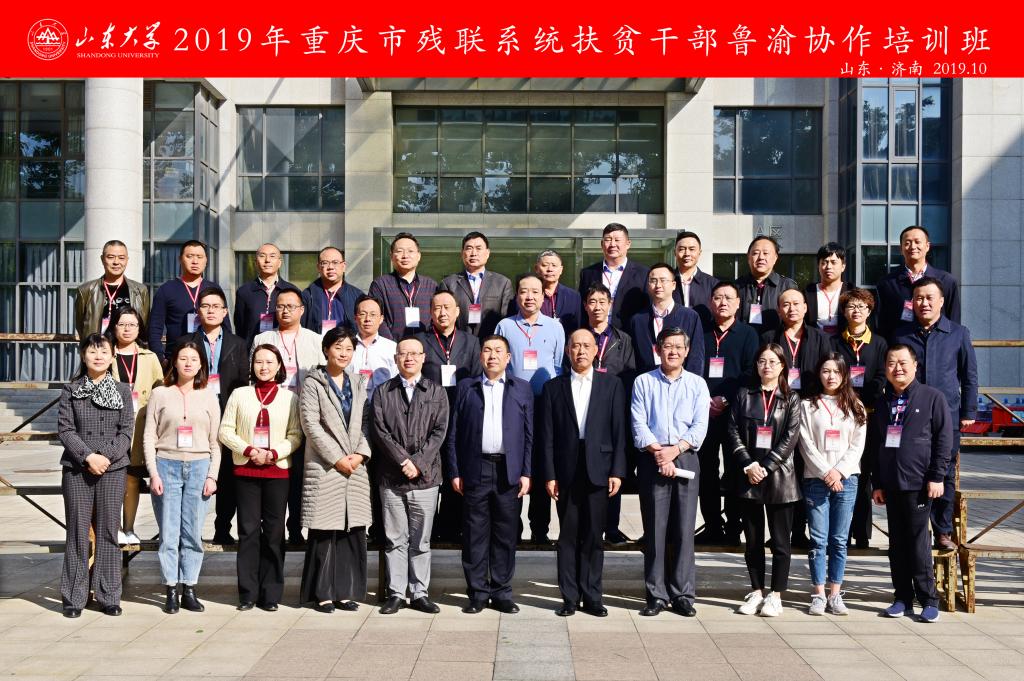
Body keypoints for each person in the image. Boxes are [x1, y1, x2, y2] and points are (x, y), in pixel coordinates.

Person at [541, 329, 627, 617]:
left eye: (586, 346)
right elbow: (547, 436)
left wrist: (617, 470)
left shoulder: (611, 385)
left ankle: (592, 596)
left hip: (599, 468)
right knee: (567, 535)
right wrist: (549, 474)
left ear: (595, 351)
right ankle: (569, 597)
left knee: (593, 535)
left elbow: (619, 431)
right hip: (566, 469)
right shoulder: (553, 388)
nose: (580, 351)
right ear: (567, 351)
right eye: (575, 346)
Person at [446, 335, 534, 614]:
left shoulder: (522, 388)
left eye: (498, 351)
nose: (492, 355)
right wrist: (455, 470)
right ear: (480, 356)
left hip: (509, 470)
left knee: (506, 534)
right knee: (474, 534)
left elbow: (529, 435)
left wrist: (527, 472)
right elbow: (453, 433)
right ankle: (477, 593)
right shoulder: (466, 387)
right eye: (487, 350)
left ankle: (502, 592)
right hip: (476, 469)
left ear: (508, 358)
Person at [868, 344, 953, 623]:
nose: (898, 368)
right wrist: (877, 483)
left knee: (918, 543)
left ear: (915, 366)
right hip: (891, 484)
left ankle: (929, 599)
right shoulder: (883, 402)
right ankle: (902, 598)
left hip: (919, 483)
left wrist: (937, 476)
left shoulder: (932, 397)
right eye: (892, 363)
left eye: (903, 362)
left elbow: (944, 440)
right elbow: (876, 445)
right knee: (897, 544)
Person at [894, 277, 978, 551]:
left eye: (930, 297)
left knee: (944, 472)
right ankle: (915, 531)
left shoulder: (958, 333)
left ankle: (942, 530)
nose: (924, 303)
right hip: (911, 417)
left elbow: (969, 375)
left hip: (948, 415)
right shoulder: (902, 335)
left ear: (941, 301)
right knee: (913, 471)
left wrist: (968, 411)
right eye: (919, 298)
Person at [631, 328, 710, 617]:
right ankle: (656, 595)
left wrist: (674, 451)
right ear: (658, 349)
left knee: (684, 530)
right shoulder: (643, 382)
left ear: (687, 351)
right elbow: (638, 423)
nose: (673, 351)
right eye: (667, 346)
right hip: (652, 458)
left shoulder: (697, 384)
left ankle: (682, 594)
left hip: (685, 456)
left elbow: (700, 425)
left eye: (678, 347)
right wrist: (659, 453)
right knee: (655, 530)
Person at [219, 344, 303, 612]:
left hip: (277, 472)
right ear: (251, 366)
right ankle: (247, 593)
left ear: (279, 366)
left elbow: (295, 435)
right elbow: (225, 431)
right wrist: (249, 450)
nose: (264, 367)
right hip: (246, 470)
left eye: (269, 362)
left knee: (274, 533)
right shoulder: (240, 394)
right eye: (258, 362)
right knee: (248, 531)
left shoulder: (290, 398)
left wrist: (274, 453)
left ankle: (271, 594)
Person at [57, 334, 134, 618]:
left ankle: (108, 595)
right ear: (83, 355)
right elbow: (65, 429)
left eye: (104, 351)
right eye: (92, 351)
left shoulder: (123, 390)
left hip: (113, 469)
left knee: (108, 532)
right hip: (77, 468)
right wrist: (88, 457)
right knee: (77, 532)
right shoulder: (71, 390)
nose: (98, 356)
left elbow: (126, 432)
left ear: (113, 356)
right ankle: (74, 597)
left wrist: (104, 457)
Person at [371, 338, 449, 615]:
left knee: (421, 540)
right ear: (396, 358)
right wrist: (403, 460)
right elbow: (380, 431)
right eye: (403, 353)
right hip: (391, 477)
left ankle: (419, 593)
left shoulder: (436, 391)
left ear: (423, 357)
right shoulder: (383, 391)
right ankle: (396, 593)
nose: (409, 358)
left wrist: (418, 463)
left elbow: (439, 431)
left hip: (425, 478)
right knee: (395, 539)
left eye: (415, 353)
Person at [299, 327, 372, 613]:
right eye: (338, 347)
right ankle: (323, 593)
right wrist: (337, 458)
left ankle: (344, 591)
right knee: (324, 532)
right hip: (325, 466)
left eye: (349, 349)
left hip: (354, 466)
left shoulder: (358, 382)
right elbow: (311, 425)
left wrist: (361, 455)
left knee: (350, 532)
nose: (343, 353)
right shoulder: (313, 383)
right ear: (326, 349)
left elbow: (365, 423)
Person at [144, 340, 221, 614]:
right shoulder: (160, 394)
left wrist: (212, 476)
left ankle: (189, 587)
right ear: (174, 362)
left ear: (201, 365)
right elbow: (149, 436)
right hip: (167, 465)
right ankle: (171, 588)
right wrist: (153, 473)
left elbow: (215, 442)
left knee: (192, 532)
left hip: (199, 467)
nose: (188, 363)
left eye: (194, 359)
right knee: (168, 533)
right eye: (183, 358)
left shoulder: (209, 395)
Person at [726, 343, 802, 618]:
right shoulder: (744, 394)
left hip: (780, 478)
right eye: (762, 361)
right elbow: (732, 430)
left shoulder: (791, 398)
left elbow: (790, 438)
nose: (767, 366)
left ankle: (776, 595)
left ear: (782, 366)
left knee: (781, 542)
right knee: (753, 541)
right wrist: (748, 464)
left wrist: (767, 467)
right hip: (749, 477)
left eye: (772, 361)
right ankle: (756, 591)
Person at [496, 273, 564, 543]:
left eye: (535, 291)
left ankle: (540, 529)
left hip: (545, 404)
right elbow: (499, 363)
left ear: (544, 295)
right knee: (514, 462)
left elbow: (558, 364)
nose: (529, 297)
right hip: (512, 403)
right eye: (524, 291)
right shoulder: (505, 326)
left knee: (541, 462)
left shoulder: (555, 327)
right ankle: (512, 527)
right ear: (516, 296)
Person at [253, 287, 324, 546]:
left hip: (305, 414)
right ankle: (273, 530)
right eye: (281, 306)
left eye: (291, 306)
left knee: (300, 475)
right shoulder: (263, 338)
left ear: (301, 310)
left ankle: (296, 528)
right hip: (274, 416)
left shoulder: (315, 340)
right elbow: (253, 377)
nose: (285, 311)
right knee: (276, 472)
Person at [797, 353, 867, 616]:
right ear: (819, 374)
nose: (831, 376)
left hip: (847, 479)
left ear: (844, 375)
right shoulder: (807, 405)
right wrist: (827, 472)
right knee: (818, 540)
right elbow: (805, 444)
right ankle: (818, 593)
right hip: (816, 479)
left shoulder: (855, 406)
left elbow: (857, 445)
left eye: (836, 371)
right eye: (826, 371)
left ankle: (835, 593)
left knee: (839, 540)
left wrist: (839, 472)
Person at [414, 291, 482, 542]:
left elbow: (476, 378)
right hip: (427, 419)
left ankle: (452, 528)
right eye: (437, 308)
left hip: (460, 416)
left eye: (447, 307)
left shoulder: (471, 342)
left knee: (456, 470)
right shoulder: (420, 341)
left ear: (457, 312)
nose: (442, 312)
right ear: (430, 312)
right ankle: (428, 529)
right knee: (430, 472)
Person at [184, 287, 251, 545]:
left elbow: (243, 382)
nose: (211, 311)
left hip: (228, 412)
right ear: (198, 312)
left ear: (225, 312)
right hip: (195, 411)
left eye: (216, 306)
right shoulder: (186, 342)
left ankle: (223, 526)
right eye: (205, 306)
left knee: (227, 474)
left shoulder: (238, 343)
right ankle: (190, 529)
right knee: (196, 469)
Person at [695, 282, 758, 545]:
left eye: (728, 298)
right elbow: (693, 367)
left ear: (738, 303)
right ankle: (712, 525)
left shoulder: (748, 334)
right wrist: (705, 400)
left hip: (735, 413)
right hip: (704, 412)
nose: (723, 302)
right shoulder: (701, 332)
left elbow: (750, 372)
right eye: (718, 297)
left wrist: (726, 398)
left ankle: (734, 527)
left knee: (734, 470)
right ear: (711, 302)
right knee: (706, 470)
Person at [832, 288, 889, 548]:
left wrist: (862, 400)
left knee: (864, 475)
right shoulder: (834, 342)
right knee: (843, 471)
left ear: (869, 311)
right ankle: (840, 532)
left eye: (861, 306)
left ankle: (862, 533)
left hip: (869, 415)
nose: (856, 311)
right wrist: (848, 400)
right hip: (841, 416)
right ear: (844, 312)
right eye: (851, 306)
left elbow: (881, 376)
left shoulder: (879, 343)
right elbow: (831, 373)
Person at [581, 283, 636, 545]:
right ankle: (587, 526)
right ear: (585, 306)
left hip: (613, 410)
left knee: (614, 467)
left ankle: (611, 527)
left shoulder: (623, 339)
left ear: (610, 305)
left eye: (602, 302)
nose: (597, 307)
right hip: (584, 409)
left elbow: (629, 375)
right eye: (592, 302)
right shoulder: (579, 338)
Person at [104, 305, 163, 547]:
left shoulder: (150, 357)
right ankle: (113, 528)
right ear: (114, 327)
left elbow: (160, 388)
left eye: (132, 324)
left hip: (141, 425)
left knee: (132, 479)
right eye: (122, 324)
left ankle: (128, 528)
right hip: (112, 425)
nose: (127, 329)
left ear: (139, 328)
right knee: (113, 478)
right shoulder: (106, 354)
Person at [148, 240, 231, 363]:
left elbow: (226, 327)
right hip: (176, 359)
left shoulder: (214, 289)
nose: (195, 261)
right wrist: (160, 359)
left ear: (206, 260)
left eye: (199, 257)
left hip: (210, 358)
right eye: (190, 256)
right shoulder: (166, 289)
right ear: (180, 259)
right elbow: (154, 329)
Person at [876, 226, 960, 341]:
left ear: (927, 246)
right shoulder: (887, 283)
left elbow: (954, 319)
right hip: (900, 347)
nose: (912, 246)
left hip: (937, 345)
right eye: (907, 243)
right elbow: (882, 324)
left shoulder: (946, 281)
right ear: (901, 249)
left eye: (917, 242)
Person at [629, 263, 705, 376]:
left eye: (663, 280)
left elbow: (696, 357)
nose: (658, 285)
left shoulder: (690, 316)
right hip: (647, 381)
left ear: (673, 285)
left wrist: (691, 383)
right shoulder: (638, 320)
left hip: (680, 381)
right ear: (648, 285)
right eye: (653, 281)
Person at [439, 232, 514, 338]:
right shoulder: (448, 283)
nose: (473, 253)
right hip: (459, 342)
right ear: (462, 253)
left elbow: (507, 319)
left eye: (478, 248)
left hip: (490, 342)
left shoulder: (502, 283)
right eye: (469, 248)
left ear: (487, 253)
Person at [761, 290, 832, 398]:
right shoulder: (769, 338)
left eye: (796, 303)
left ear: (805, 308)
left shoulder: (821, 338)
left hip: (812, 399)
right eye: (786, 305)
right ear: (779, 310)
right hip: (778, 399)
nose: (792, 309)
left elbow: (828, 369)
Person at [578, 223, 650, 330]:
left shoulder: (643, 273)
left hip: (629, 334)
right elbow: (582, 308)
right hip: (595, 334)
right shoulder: (588, 273)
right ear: (602, 244)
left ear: (628, 244)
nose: (612, 244)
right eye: (608, 240)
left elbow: (647, 308)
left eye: (617, 240)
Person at [74, 239, 150, 338]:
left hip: (129, 346)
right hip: (98, 346)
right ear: (102, 259)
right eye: (110, 257)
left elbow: (144, 324)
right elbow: (81, 326)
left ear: (127, 260)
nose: (116, 262)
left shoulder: (140, 290)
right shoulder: (86, 290)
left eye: (121, 258)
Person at [368, 232, 438, 339]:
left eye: (410, 251)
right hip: (393, 346)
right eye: (399, 251)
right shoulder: (380, 284)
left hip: (425, 346)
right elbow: (376, 317)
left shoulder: (431, 285)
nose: (405, 256)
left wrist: (429, 342)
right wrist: (392, 344)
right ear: (391, 256)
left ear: (419, 256)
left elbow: (436, 317)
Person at [233, 243, 297, 345]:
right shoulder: (244, 292)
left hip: (283, 348)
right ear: (256, 262)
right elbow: (240, 326)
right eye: (262, 256)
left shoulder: (291, 291)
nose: (267, 260)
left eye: (272, 256)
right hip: (253, 349)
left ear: (279, 263)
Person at [736, 236, 798, 335]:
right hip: (743, 341)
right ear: (748, 257)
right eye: (755, 253)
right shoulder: (737, 286)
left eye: (766, 253)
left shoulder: (787, 286)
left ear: (775, 258)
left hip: (776, 342)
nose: (761, 257)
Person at [300, 246, 364, 336]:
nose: (330, 267)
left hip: (348, 344)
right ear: (318, 267)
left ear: (343, 266)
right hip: (315, 344)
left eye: (335, 262)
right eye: (325, 263)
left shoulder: (358, 296)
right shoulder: (307, 296)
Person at [350, 295, 399, 401]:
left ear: (381, 319)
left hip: (382, 405)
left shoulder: (392, 348)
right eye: (363, 314)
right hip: (351, 404)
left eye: (373, 314)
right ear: (355, 318)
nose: (367, 319)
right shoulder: (346, 346)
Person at [671, 230, 719, 329]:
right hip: (672, 336)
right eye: (682, 249)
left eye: (692, 249)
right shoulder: (667, 281)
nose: (687, 253)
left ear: (699, 253)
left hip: (703, 335)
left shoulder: (712, 284)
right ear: (674, 252)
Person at [804, 243, 851, 338]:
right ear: (818, 266)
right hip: (815, 342)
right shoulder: (808, 292)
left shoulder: (851, 291)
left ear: (843, 266)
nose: (829, 267)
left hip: (844, 342)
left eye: (834, 262)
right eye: (824, 262)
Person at [535, 249, 582, 337]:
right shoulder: (528, 296)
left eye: (554, 265)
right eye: (545, 265)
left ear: (561, 270)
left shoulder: (573, 297)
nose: (550, 269)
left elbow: (578, 327)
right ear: (536, 269)